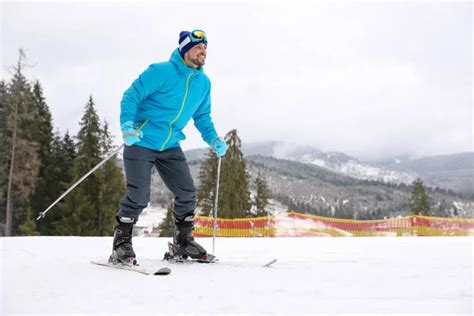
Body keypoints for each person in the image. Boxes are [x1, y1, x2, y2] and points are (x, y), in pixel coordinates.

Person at [110, 30, 227, 265]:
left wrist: (213, 139)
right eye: (197, 47)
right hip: (141, 140)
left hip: (170, 144)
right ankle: (121, 244)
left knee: (187, 193)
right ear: (185, 50)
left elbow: (202, 116)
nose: (203, 51)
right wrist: (127, 126)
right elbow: (131, 96)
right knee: (139, 197)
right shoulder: (160, 71)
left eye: (205, 47)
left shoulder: (203, 83)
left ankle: (182, 243)